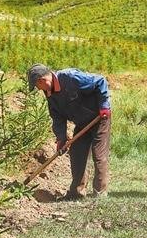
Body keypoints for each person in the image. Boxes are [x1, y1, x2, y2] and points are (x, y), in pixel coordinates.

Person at [28, 64, 111, 200]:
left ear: (42, 80)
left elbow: (100, 81)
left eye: (37, 86)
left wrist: (104, 106)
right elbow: (57, 117)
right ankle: (76, 192)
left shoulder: (70, 77)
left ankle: (100, 193)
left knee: (98, 154)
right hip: (82, 122)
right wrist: (61, 139)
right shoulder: (50, 94)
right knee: (77, 153)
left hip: (99, 117)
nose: (38, 89)